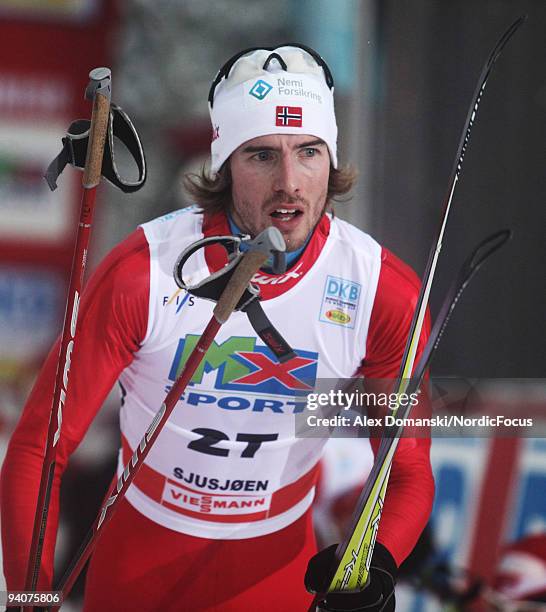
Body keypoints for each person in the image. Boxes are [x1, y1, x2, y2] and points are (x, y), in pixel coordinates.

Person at [1, 44, 434, 611]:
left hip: (274, 577)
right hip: (138, 568)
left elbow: (407, 472)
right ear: (225, 164)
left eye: (309, 152)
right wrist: (31, 592)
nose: (290, 182)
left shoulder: (381, 292)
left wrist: (376, 561)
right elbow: (40, 448)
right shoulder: (145, 273)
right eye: (260, 155)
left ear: (331, 159)